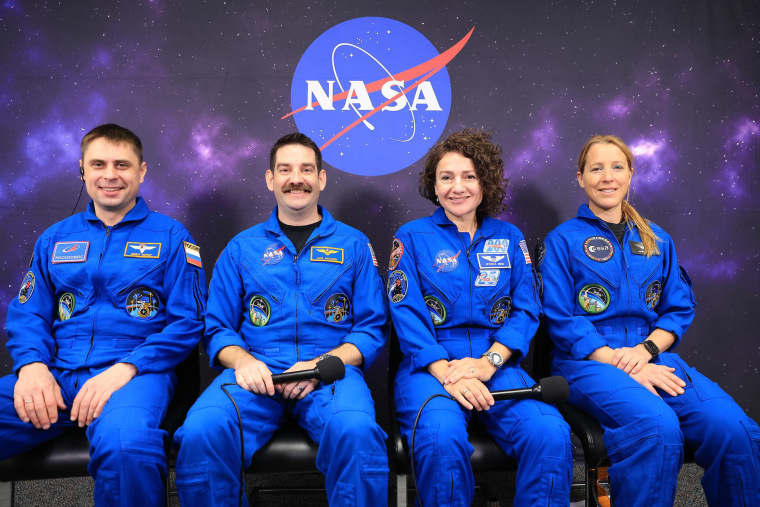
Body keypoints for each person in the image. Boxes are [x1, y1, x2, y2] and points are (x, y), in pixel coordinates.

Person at [539, 134, 760, 506]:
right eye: (596, 168)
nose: (607, 177)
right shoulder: (562, 241)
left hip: (651, 354)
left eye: (617, 167)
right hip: (587, 361)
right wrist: (623, 363)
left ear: (630, 175)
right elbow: (561, 319)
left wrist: (644, 352)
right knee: (657, 428)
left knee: (734, 431)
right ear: (580, 178)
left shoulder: (657, 238)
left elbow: (678, 309)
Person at [174, 132, 389, 506]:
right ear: (270, 179)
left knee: (357, 433)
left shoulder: (354, 245)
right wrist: (244, 362)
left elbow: (372, 328)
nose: (296, 179)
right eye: (285, 170)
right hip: (258, 372)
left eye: (306, 169)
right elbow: (217, 327)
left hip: (329, 372)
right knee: (201, 432)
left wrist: (322, 365)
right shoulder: (241, 249)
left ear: (321, 178)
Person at [0, 123, 207, 505]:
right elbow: (29, 314)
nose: (110, 175)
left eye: (121, 165)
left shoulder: (172, 237)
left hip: (134, 376)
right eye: (98, 164)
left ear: (141, 171)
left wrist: (126, 368)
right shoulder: (55, 238)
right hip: (55, 374)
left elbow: (188, 322)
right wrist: (31, 366)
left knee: (126, 445)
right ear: (83, 170)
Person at [389, 129, 572, 506]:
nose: (457, 187)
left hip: (497, 363)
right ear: (434, 186)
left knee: (550, 434)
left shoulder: (509, 237)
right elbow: (405, 311)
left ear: (484, 183)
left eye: (469, 176)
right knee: (440, 438)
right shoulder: (411, 237)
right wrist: (445, 370)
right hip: (430, 368)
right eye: (446, 177)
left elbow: (526, 308)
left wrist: (489, 362)